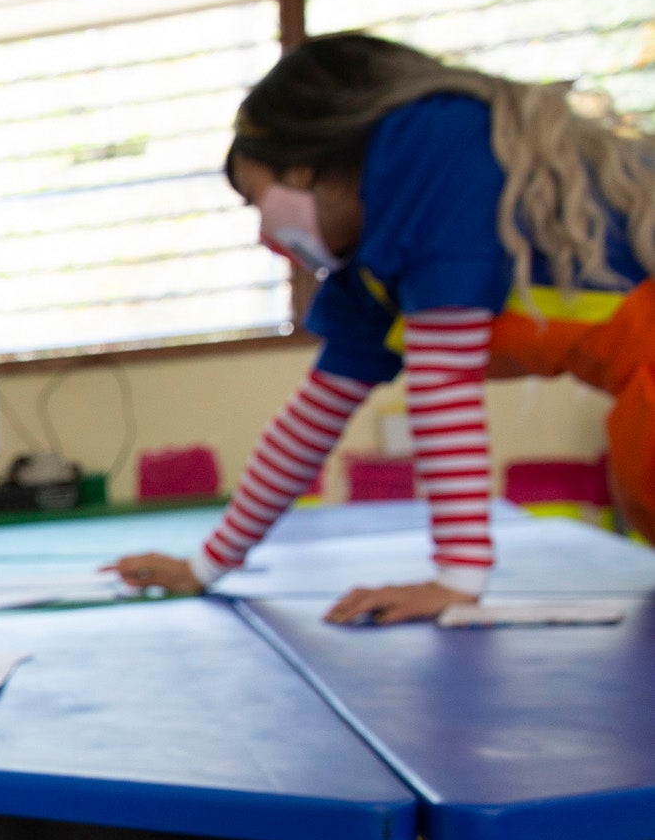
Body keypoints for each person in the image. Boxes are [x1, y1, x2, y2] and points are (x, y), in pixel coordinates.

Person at [114, 33, 655, 623]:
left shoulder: (432, 145)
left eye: (256, 200)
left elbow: (442, 376)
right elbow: (313, 418)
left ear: (304, 163)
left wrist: (456, 576)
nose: (265, 233)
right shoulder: (376, 262)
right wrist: (207, 565)